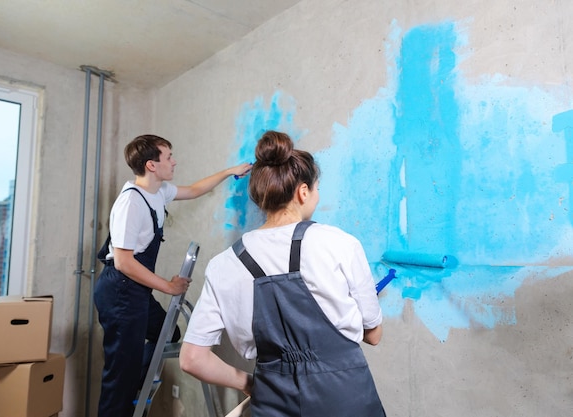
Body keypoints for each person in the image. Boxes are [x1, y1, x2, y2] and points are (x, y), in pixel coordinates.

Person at [179, 130, 386, 416]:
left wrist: (252, 384)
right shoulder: (339, 243)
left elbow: (191, 359)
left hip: (271, 401)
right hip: (344, 399)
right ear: (303, 192)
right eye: (316, 189)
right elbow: (373, 335)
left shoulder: (222, 265)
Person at [94, 134, 252, 417]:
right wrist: (168, 287)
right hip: (119, 291)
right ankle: (127, 391)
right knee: (119, 377)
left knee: (169, 333)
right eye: (168, 157)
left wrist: (230, 171)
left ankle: (138, 382)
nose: (174, 161)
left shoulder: (158, 192)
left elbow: (193, 190)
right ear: (152, 165)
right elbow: (123, 262)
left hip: (135, 290)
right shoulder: (131, 203)